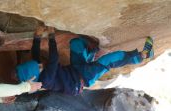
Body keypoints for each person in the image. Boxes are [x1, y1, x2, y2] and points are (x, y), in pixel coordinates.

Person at [16, 26, 154, 95]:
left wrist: (37, 37)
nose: (40, 64)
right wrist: (51, 36)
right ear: (36, 76)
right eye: (39, 67)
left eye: (38, 64)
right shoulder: (45, 80)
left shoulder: (34, 72)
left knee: (76, 43)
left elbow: (35, 54)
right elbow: (54, 58)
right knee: (109, 60)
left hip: (75, 69)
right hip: (84, 78)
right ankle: (142, 56)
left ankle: (91, 55)